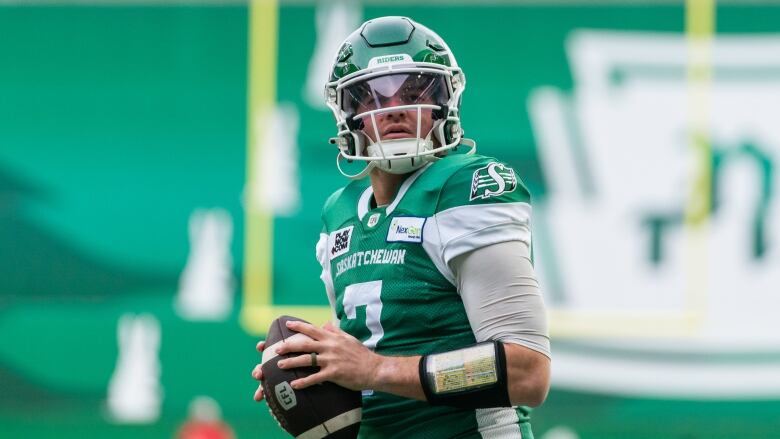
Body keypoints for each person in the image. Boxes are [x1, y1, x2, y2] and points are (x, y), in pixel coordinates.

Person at [252, 16, 550, 438]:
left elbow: (527, 371)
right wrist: (315, 360)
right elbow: (377, 341)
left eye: (415, 92)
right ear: (348, 116)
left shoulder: (467, 189)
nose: (395, 109)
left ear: (445, 105)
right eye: (373, 97)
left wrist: (374, 369)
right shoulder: (339, 215)